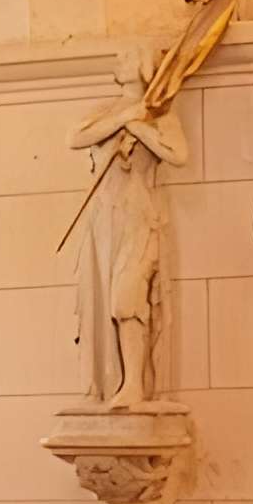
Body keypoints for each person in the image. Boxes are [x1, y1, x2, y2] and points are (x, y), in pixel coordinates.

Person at [68, 49, 187, 408]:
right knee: (102, 301)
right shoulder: (106, 110)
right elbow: (76, 137)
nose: (116, 64)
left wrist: (139, 125)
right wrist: (125, 116)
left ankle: (135, 382)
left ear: (141, 67)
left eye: (124, 58)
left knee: (127, 296)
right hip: (104, 218)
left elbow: (178, 156)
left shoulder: (159, 115)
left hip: (139, 214)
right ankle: (110, 380)